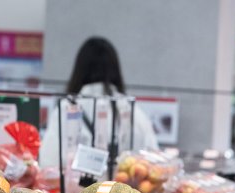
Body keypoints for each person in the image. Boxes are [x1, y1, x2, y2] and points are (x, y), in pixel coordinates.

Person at [39, 37, 159, 169]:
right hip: (125, 188)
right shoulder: (132, 109)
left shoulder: (67, 107)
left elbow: (48, 162)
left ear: (79, 70)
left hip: (79, 189)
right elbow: (152, 162)